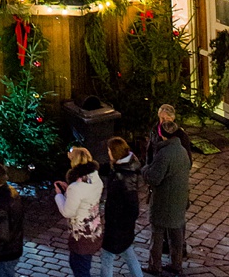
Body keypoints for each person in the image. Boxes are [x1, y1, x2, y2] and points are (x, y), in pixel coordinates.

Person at [142, 113, 190, 276]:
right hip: (180, 198)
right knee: (176, 234)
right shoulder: (182, 150)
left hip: (164, 201)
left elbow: (154, 178)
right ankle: (176, 264)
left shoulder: (164, 154)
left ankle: (155, 266)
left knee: (157, 233)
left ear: (162, 134)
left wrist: (144, 169)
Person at [55, 146, 104, 277]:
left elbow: (67, 212)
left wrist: (59, 195)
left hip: (81, 236)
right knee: (79, 264)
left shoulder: (76, 187)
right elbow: (82, 199)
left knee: (80, 268)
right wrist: (68, 191)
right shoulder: (95, 178)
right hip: (93, 232)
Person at [101, 136, 144, 277]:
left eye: (109, 150)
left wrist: (121, 225)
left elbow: (133, 206)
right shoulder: (126, 167)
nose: (108, 153)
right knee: (128, 252)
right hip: (122, 226)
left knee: (107, 256)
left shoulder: (122, 176)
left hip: (117, 225)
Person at [0, 163, 26, 277]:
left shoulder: (0, 202)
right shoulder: (8, 192)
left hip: (4, 253)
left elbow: (2, 233)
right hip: (11, 250)